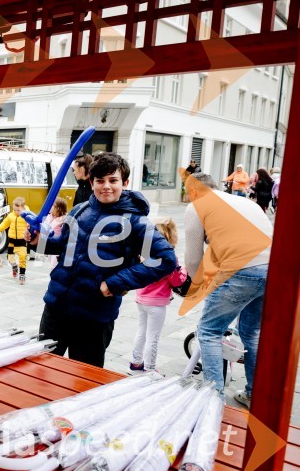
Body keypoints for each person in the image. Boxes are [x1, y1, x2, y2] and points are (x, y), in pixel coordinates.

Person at [26, 153, 176, 368]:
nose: (106, 186)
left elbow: (165, 259)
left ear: (124, 183)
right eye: (100, 180)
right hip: (55, 309)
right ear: (91, 182)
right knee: (41, 372)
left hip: (93, 318)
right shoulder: (79, 210)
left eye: (113, 180)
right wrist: (38, 241)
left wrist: (116, 283)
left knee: (84, 381)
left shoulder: (135, 221)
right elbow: (62, 246)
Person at [184, 173, 271, 408]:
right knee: (251, 332)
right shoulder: (245, 202)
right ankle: (254, 394)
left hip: (240, 269)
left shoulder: (197, 206)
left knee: (209, 331)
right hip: (271, 268)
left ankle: (213, 400)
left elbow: (193, 260)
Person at [129, 217, 188, 374]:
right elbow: (176, 280)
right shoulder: (168, 257)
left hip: (141, 299)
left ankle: (135, 362)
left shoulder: (143, 253)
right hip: (156, 303)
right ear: (169, 236)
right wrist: (184, 270)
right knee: (153, 336)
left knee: (141, 331)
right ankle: (149, 369)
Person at [0, 197, 32, 284]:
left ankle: (22, 275)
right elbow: (4, 224)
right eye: (14, 210)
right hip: (11, 241)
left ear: (23, 207)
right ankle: (14, 266)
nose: (16, 212)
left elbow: (31, 224)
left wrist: (29, 226)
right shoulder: (10, 216)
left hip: (22, 241)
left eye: (18, 210)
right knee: (10, 258)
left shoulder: (27, 216)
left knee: (22, 257)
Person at [43, 197, 67, 268]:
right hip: (50, 243)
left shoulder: (62, 219)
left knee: (54, 263)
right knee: (50, 259)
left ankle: (54, 272)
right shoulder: (49, 217)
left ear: (58, 208)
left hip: (58, 244)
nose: (49, 207)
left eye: (52, 205)